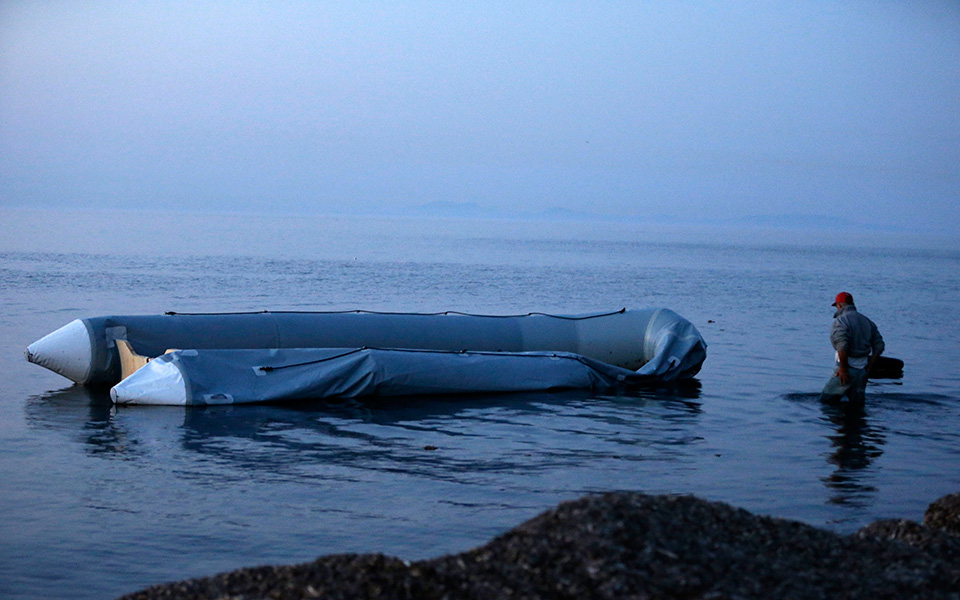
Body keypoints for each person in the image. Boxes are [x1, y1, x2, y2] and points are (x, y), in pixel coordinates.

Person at [820, 292, 885, 404]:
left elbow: (842, 345)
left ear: (839, 305)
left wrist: (843, 369)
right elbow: (879, 346)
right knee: (857, 405)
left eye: (836, 306)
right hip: (862, 371)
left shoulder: (840, 321)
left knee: (826, 401)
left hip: (846, 369)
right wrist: (868, 369)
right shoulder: (867, 321)